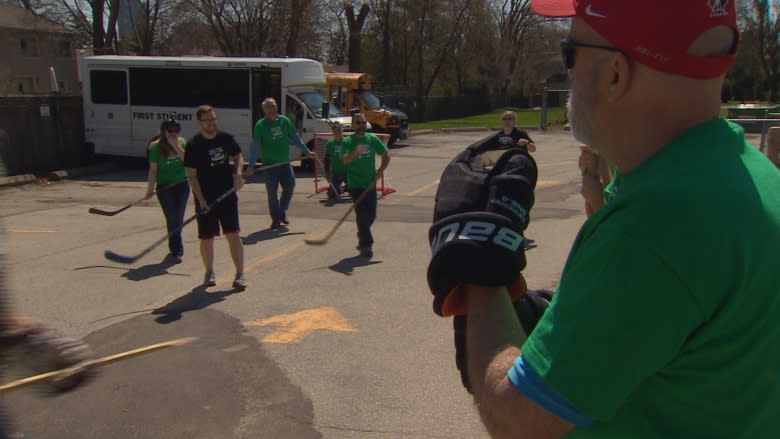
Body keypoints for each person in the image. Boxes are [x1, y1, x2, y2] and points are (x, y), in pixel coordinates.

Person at [426, 1, 780, 438]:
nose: (569, 75)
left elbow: (519, 420)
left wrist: (478, 267)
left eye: (569, 53)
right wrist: (567, 316)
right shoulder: (752, 175)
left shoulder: (657, 223)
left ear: (615, 73)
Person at [183, 105, 247, 290]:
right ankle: (209, 271)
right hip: (205, 198)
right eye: (207, 120)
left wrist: (238, 175)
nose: (211, 123)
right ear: (199, 122)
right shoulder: (194, 145)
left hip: (227, 194)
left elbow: (238, 157)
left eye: (213, 119)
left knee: (233, 234)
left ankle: (240, 274)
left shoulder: (225, 138)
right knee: (206, 237)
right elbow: (192, 176)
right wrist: (201, 200)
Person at [245, 97, 316, 230]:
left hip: (285, 163)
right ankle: (276, 219)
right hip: (270, 166)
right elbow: (255, 145)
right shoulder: (261, 125)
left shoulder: (285, 121)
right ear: (264, 110)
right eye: (268, 107)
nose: (271, 109)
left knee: (290, 187)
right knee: (272, 193)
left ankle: (281, 212)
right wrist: (251, 165)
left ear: (276, 107)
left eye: (273, 106)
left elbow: (296, 137)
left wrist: (307, 152)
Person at [341, 113, 390, 258]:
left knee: (371, 215)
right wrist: (356, 152)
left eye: (363, 122)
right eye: (357, 123)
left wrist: (379, 172)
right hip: (355, 184)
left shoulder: (372, 139)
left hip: (370, 184)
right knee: (362, 215)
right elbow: (344, 160)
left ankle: (362, 233)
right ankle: (366, 245)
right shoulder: (347, 141)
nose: (361, 125)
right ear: (352, 125)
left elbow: (386, 156)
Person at [144, 119, 190, 263]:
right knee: (171, 218)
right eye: (170, 131)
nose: (173, 134)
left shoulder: (181, 142)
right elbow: (153, 170)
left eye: (176, 130)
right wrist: (150, 190)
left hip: (181, 184)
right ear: (163, 131)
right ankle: (176, 249)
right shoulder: (156, 147)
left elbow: (188, 161)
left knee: (179, 217)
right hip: (165, 186)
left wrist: (176, 147)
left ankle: (177, 246)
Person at [324, 123, 348, 204]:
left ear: (342, 131)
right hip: (336, 173)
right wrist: (327, 172)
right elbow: (327, 159)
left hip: (348, 172)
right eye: (335, 131)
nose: (337, 132)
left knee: (355, 191)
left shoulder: (348, 142)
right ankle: (340, 189)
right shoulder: (330, 144)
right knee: (331, 194)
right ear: (332, 132)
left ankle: (346, 188)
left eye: (339, 130)